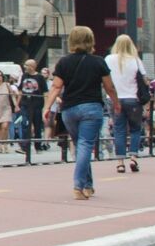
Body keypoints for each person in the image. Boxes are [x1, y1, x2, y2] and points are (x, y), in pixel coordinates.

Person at [45, 25, 118, 201]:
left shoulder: (63, 62)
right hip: (91, 107)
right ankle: (78, 185)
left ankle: (88, 185)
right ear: (90, 41)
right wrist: (117, 103)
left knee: (80, 145)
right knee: (85, 145)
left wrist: (47, 107)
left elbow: (56, 87)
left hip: (69, 109)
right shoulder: (98, 62)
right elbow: (109, 87)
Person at [105, 35, 146, 174]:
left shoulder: (109, 59)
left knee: (119, 130)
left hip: (114, 98)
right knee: (135, 129)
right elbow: (144, 79)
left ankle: (120, 163)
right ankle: (133, 158)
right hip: (132, 98)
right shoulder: (136, 60)